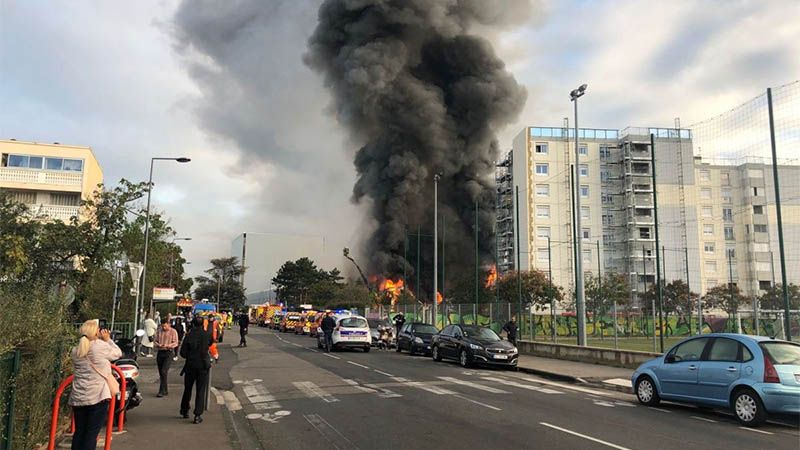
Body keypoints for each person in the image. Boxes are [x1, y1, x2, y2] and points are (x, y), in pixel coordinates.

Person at [69, 320, 122, 450]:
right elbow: (117, 353)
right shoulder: (99, 346)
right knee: (91, 434)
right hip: (97, 396)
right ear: (96, 332)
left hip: (78, 396)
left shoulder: (76, 350)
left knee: (79, 432)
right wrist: (108, 339)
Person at [180, 316, 211, 423]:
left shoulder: (189, 335)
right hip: (203, 365)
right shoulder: (206, 335)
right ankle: (197, 415)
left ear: (192, 324)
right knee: (200, 390)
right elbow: (211, 343)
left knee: (187, 389)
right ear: (203, 324)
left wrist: (190, 355)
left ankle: (184, 410)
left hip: (190, 365)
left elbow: (182, 353)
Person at [154, 318, 179, 397]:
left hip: (169, 352)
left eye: (165, 326)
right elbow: (155, 341)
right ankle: (165, 390)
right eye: (162, 326)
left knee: (164, 371)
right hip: (160, 352)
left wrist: (169, 346)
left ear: (169, 325)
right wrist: (158, 345)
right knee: (161, 373)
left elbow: (175, 342)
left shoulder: (173, 331)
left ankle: (161, 390)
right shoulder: (159, 331)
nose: (164, 328)